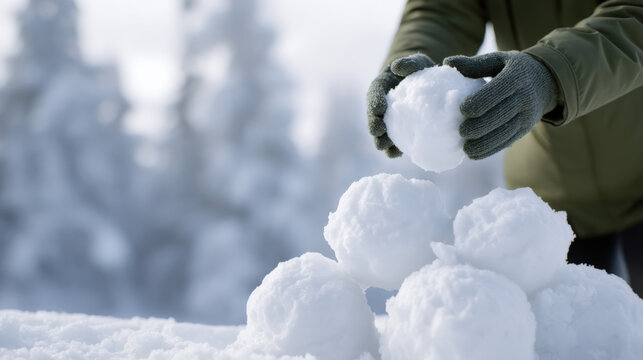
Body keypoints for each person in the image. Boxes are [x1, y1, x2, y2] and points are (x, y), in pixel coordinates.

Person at [366, 0, 643, 295]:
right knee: (576, 335)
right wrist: (410, 67)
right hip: (551, 195)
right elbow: (444, 8)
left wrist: (550, 71)